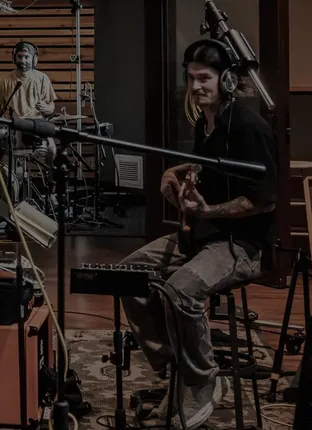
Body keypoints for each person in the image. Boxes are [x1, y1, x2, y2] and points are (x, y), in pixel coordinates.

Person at [119, 39, 277, 428]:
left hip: (242, 244)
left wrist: (208, 211)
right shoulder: (204, 123)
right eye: (191, 78)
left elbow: (264, 201)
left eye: (204, 78)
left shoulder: (249, 126)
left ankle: (202, 380)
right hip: (203, 237)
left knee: (181, 289)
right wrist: (175, 172)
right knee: (128, 274)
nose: (195, 86)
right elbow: (211, 168)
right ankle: (177, 368)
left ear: (227, 80)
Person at [0, 41, 59, 172]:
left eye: (27, 57)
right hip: (14, 125)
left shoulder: (43, 78)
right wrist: (1, 118)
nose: (23, 60)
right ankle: (2, 178)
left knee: (52, 149)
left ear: (34, 59)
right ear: (14, 58)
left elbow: (51, 106)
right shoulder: (5, 80)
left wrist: (46, 108)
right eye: (20, 57)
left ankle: (50, 180)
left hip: (36, 125)